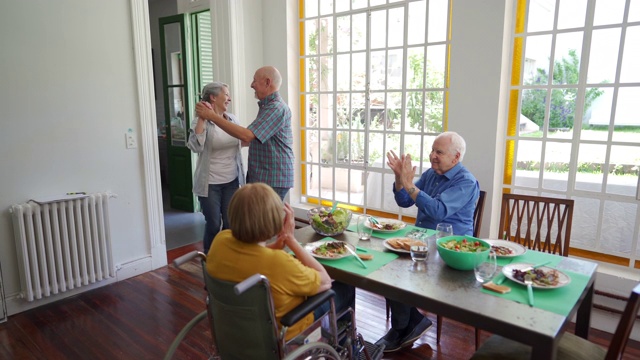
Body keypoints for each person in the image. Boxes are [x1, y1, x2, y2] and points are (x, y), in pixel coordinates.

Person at [206, 183, 355, 341]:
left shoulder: (221, 240)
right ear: (273, 220)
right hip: (281, 331)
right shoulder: (278, 262)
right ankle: (345, 343)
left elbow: (249, 256)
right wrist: (291, 240)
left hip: (235, 330)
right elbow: (325, 281)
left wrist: (275, 246)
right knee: (346, 286)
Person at [375, 131, 479, 352]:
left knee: (395, 270)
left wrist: (409, 183)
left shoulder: (466, 182)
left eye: (438, 152)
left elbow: (438, 211)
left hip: (449, 250)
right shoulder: (432, 174)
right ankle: (409, 322)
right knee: (385, 265)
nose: (432, 155)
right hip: (422, 243)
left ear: (456, 157)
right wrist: (399, 178)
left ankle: (404, 326)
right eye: (432, 150)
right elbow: (404, 200)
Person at [195, 66, 294, 200]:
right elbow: (249, 139)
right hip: (263, 176)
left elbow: (247, 136)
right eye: (226, 94)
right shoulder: (267, 107)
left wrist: (211, 116)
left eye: (254, 80)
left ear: (267, 82)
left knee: (262, 220)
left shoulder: (275, 108)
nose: (251, 85)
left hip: (272, 178)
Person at [187, 82, 246, 255]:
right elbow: (195, 147)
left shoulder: (233, 119)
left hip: (232, 180)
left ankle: (228, 257)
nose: (229, 98)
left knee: (230, 223)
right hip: (210, 183)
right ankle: (209, 258)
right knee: (213, 224)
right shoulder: (200, 120)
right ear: (213, 97)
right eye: (226, 94)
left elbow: (241, 140)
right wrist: (202, 118)